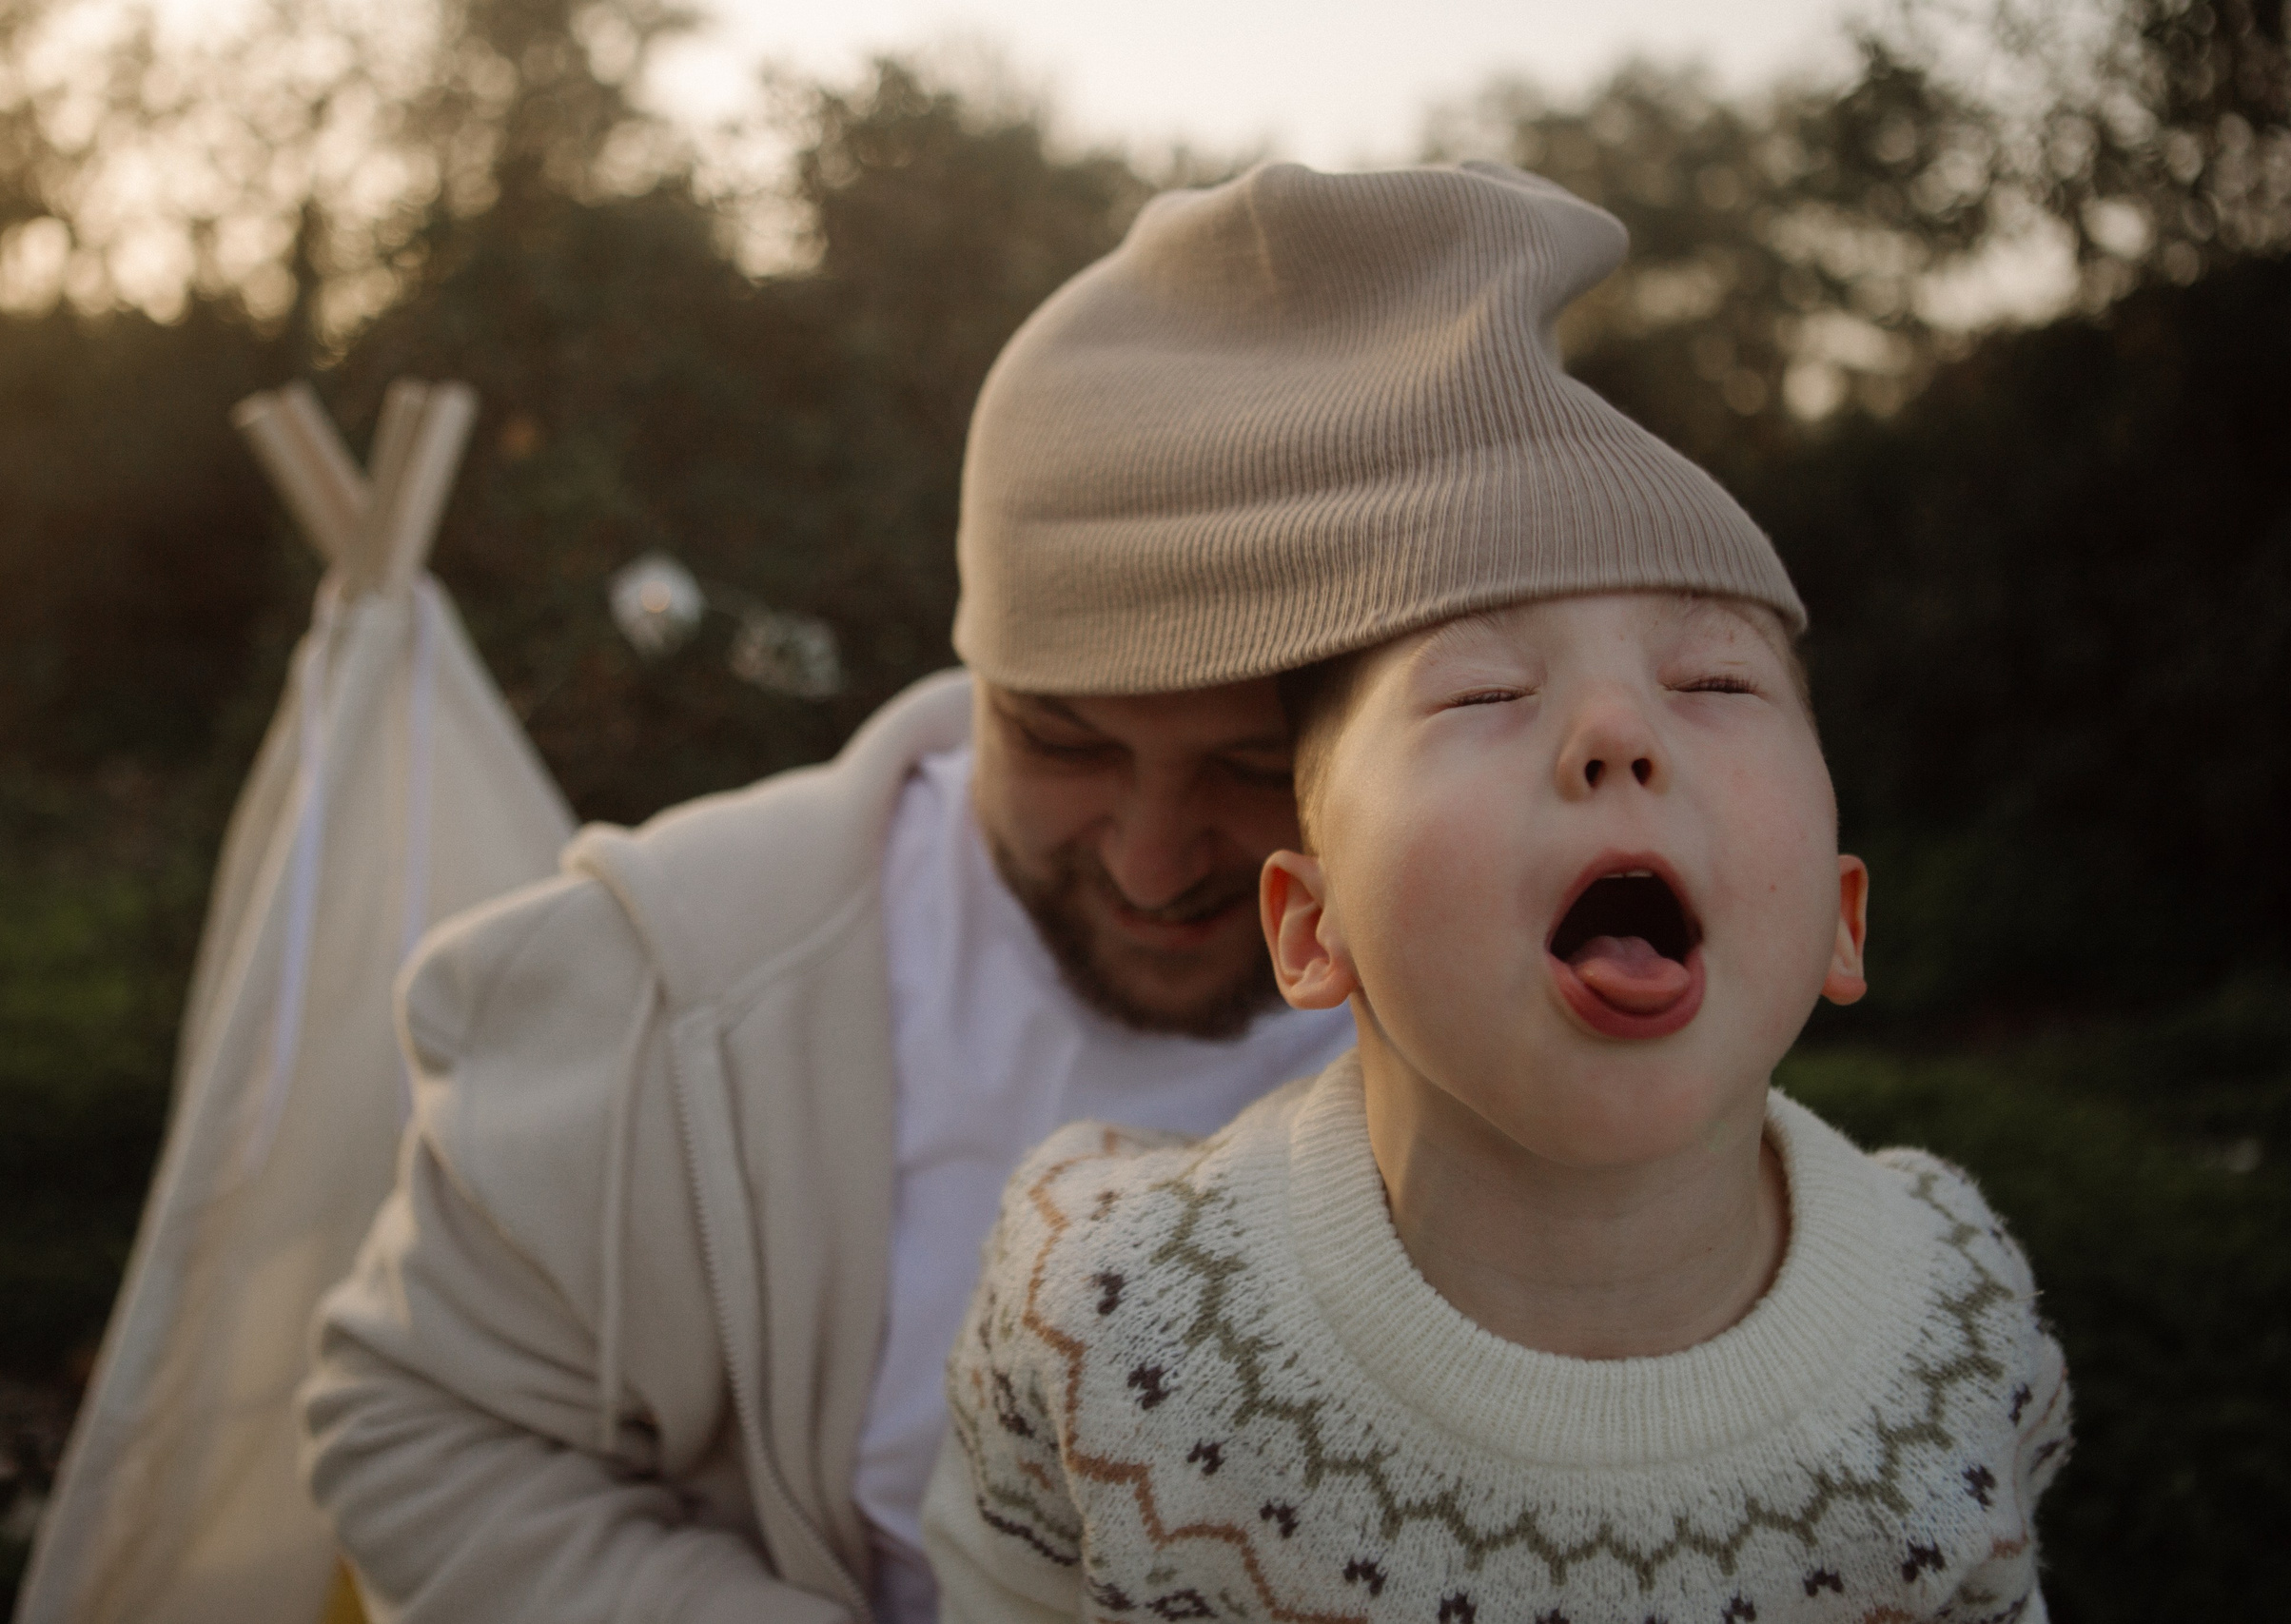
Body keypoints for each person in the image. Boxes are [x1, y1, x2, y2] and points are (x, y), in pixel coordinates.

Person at [924, 164, 2073, 1623]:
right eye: (1481, 692)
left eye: (1714, 680)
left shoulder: (1955, 1316)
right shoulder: (1101, 1306)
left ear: (1848, 919)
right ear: (1310, 921)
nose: (1617, 733)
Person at [294, 166, 1400, 1622]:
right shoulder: (659, 978)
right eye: (1064, 743)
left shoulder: (1570, 1015)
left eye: (1251, 772)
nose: (1148, 855)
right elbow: (417, 1425)